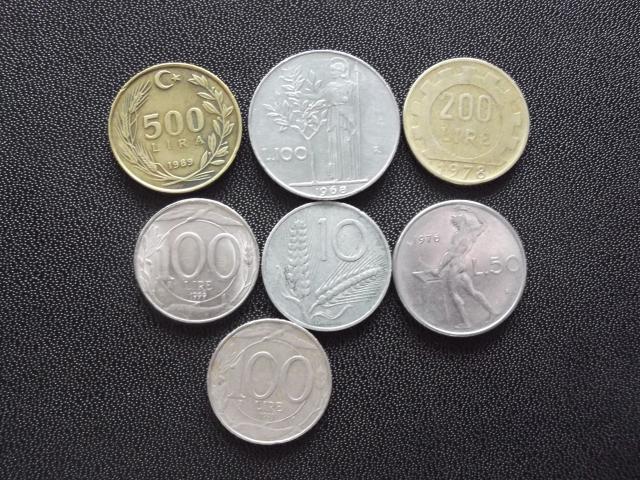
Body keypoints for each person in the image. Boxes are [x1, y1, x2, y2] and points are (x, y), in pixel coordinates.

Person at [430, 207, 496, 327]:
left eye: (455, 221)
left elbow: (451, 254)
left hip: (455, 265)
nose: (454, 223)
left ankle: (467, 323)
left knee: (453, 293)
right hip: (461, 264)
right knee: (472, 291)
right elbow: (485, 224)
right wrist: (471, 211)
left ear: (462, 220)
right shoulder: (472, 233)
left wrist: (438, 269)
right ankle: (492, 312)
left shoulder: (458, 236)